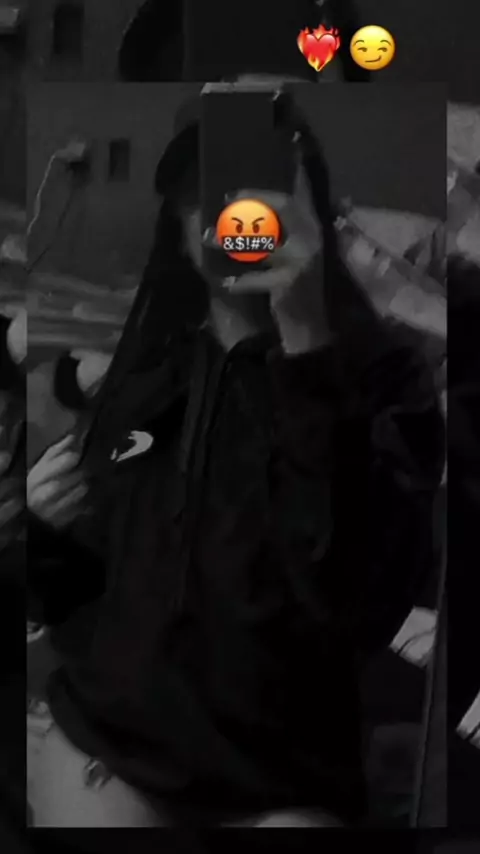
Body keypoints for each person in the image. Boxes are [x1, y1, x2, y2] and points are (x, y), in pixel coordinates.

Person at [26, 85, 445, 827]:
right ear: (176, 225)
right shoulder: (158, 371)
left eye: (258, 191)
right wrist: (43, 528)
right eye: (204, 195)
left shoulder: (386, 384)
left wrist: (305, 338)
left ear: (306, 207)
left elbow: (356, 603)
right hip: (115, 745)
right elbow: (83, 589)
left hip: (273, 777)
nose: (230, 217)